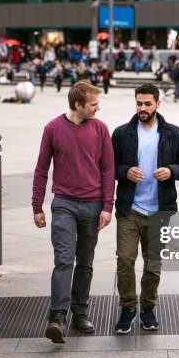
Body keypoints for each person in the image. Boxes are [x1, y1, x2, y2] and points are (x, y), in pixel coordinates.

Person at [32, 81, 115, 344]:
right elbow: (41, 169)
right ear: (78, 104)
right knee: (64, 260)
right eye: (93, 104)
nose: (97, 108)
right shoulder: (52, 128)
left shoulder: (100, 129)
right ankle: (57, 316)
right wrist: (37, 206)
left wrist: (107, 206)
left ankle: (80, 312)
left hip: (92, 205)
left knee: (86, 262)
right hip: (64, 203)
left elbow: (108, 170)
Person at [112, 83, 179, 334]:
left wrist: (172, 171)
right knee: (125, 260)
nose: (142, 108)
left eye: (147, 103)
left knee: (153, 263)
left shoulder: (173, 133)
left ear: (158, 103)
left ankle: (147, 308)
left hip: (160, 209)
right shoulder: (122, 133)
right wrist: (125, 171)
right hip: (130, 209)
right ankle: (127, 307)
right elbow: (108, 167)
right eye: (139, 103)